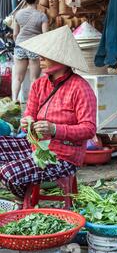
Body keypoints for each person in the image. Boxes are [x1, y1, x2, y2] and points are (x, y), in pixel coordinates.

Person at [0, 26, 96, 205]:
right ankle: (25, 195)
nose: (39, 58)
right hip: (37, 147)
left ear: (60, 59)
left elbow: (89, 130)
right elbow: (29, 113)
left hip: (64, 157)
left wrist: (55, 130)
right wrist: (27, 120)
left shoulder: (80, 88)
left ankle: (23, 198)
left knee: (8, 173)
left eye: (45, 55)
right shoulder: (39, 85)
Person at [12, 0, 49, 103]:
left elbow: (14, 34)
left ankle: (14, 100)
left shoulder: (17, 14)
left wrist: (19, 43)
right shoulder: (42, 16)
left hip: (20, 46)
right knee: (34, 78)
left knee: (18, 77)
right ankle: (32, 103)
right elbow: (45, 35)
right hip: (35, 47)